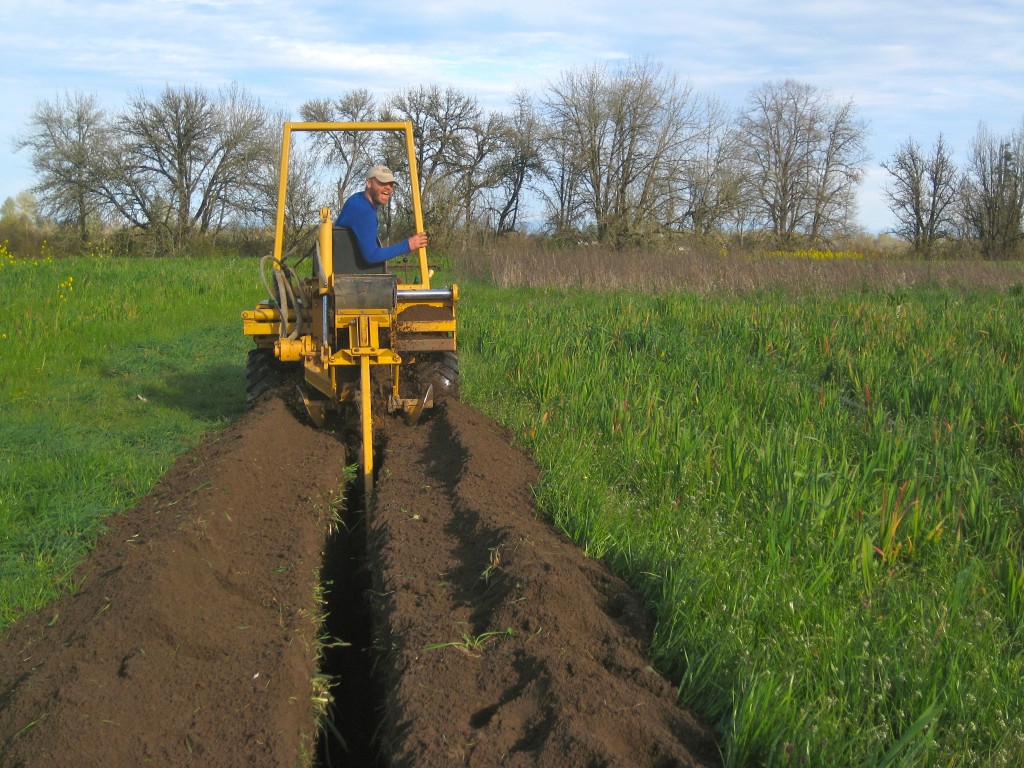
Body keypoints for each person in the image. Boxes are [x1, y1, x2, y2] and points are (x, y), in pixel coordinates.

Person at [334, 164, 428, 264]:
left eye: (391, 184)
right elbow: (371, 256)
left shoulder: (357, 199)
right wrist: (408, 245)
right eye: (383, 182)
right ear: (369, 183)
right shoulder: (364, 211)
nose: (388, 187)